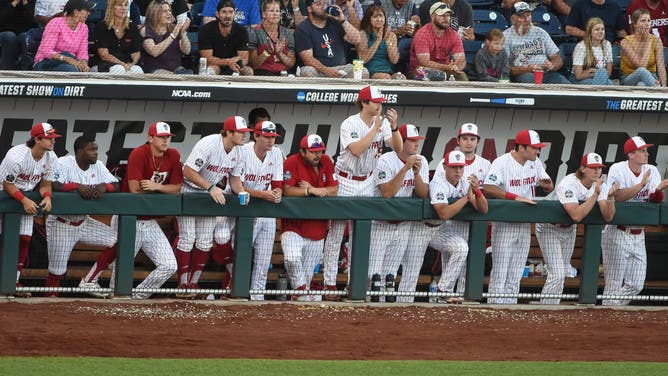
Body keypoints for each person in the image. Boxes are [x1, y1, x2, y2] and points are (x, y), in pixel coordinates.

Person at [81, 121, 181, 299]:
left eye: (168, 137)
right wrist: (162, 189)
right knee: (122, 266)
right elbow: (135, 189)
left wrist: (155, 187)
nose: (166, 141)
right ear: (150, 138)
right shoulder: (139, 153)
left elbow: (177, 188)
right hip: (129, 219)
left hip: (150, 222)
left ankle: (137, 297)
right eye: (161, 137)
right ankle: (115, 295)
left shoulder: (173, 155)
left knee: (169, 265)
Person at [320, 85, 403, 301]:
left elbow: (399, 149)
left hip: (367, 180)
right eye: (375, 102)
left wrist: (394, 128)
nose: (379, 105)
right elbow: (356, 150)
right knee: (337, 233)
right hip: (346, 180)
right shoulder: (350, 123)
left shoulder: (383, 123)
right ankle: (329, 283)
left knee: (361, 235)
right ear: (364, 103)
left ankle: (352, 283)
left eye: (380, 102)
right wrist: (375, 129)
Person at [174, 115, 253, 295]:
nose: (244, 136)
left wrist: (241, 192)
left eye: (245, 132)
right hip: (189, 190)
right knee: (188, 238)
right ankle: (182, 284)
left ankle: (193, 284)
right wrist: (210, 187)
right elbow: (187, 171)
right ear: (229, 132)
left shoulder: (239, 151)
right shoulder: (209, 144)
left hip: (210, 193)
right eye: (240, 132)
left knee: (205, 240)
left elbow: (234, 179)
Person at [535, 153, 619, 304]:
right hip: (549, 227)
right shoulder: (568, 183)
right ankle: (546, 309)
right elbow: (576, 215)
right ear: (583, 168)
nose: (597, 171)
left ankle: (550, 306)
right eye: (593, 168)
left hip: (569, 229)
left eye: (599, 168)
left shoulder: (599, 185)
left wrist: (610, 197)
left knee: (564, 272)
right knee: (558, 274)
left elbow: (608, 216)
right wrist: (595, 195)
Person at [483, 129, 554, 304]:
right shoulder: (502, 162)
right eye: (534, 148)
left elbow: (548, 185)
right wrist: (514, 197)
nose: (538, 151)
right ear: (521, 147)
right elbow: (488, 187)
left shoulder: (535, 162)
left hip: (524, 224)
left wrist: (547, 186)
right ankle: (495, 308)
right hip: (504, 223)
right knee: (500, 270)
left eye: (538, 148)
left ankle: (509, 307)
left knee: (516, 271)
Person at [45, 136, 120, 297]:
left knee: (117, 241)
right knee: (56, 271)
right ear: (79, 152)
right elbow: (51, 184)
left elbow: (116, 184)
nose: (96, 153)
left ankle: (89, 281)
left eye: (96, 149)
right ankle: (48, 303)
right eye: (91, 149)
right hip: (62, 224)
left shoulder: (98, 166)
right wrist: (76, 186)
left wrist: (104, 186)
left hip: (84, 223)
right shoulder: (64, 163)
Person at [602, 136, 668, 305]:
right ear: (631, 154)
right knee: (613, 285)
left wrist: (658, 191)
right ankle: (607, 320)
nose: (646, 153)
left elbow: (655, 201)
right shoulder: (618, 169)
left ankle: (610, 311)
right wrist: (640, 185)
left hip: (639, 233)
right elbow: (617, 196)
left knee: (636, 284)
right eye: (642, 150)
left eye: (646, 150)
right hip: (617, 231)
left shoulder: (651, 169)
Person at [427, 123, 491, 297]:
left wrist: (476, 191)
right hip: (423, 229)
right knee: (409, 269)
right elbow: (444, 213)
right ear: (445, 167)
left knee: (461, 250)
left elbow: (483, 209)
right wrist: (466, 197)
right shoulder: (439, 183)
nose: (457, 170)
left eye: (460, 167)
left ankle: (443, 292)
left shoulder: (464, 181)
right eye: (454, 167)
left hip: (442, 229)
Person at [368, 123, 429, 301]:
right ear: (401, 141)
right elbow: (387, 193)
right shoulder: (386, 160)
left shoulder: (421, 160)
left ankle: (387, 312)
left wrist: (416, 174)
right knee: (372, 274)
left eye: (418, 140)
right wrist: (405, 168)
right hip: (380, 223)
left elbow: (423, 193)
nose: (417, 144)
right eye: (412, 141)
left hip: (403, 224)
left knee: (390, 274)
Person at [0, 122, 59, 297]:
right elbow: (7, 184)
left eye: (53, 138)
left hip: (24, 197)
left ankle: (14, 280)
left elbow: (45, 183)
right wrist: (24, 200)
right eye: (49, 138)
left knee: (25, 239)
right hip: (3, 194)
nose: (52, 141)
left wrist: (47, 196)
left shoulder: (51, 157)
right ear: (37, 139)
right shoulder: (17, 156)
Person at [229, 121, 284, 301]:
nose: (270, 141)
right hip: (243, 208)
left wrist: (277, 193)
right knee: (239, 254)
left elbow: (277, 183)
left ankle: (257, 297)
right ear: (256, 136)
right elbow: (238, 186)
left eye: (273, 137)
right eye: (267, 137)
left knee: (263, 260)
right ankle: (235, 292)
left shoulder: (276, 153)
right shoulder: (242, 151)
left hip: (265, 211)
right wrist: (263, 194)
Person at [281, 134, 338, 301]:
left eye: (320, 151)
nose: (318, 155)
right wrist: (310, 191)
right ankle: (299, 288)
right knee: (291, 258)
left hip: (317, 228)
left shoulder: (326, 161)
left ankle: (299, 310)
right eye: (313, 152)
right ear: (302, 151)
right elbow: (287, 190)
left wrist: (312, 188)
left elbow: (334, 190)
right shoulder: (292, 162)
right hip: (294, 224)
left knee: (305, 281)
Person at [295, 0, 366, 78]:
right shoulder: (303, 28)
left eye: (325, 4)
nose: (323, 7)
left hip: (340, 69)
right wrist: (326, 70)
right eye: (318, 4)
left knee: (363, 72)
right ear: (309, 9)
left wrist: (343, 21)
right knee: (308, 71)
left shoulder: (335, 22)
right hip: (318, 71)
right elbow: (307, 59)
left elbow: (357, 39)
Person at [504, 1, 570, 84]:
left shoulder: (540, 32)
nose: (527, 20)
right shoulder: (506, 36)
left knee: (564, 82)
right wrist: (528, 69)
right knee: (528, 79)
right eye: (522, 17)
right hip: (524, 74)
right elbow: (506, 68)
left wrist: (552, 65)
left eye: (528, 15)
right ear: (513, 19)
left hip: (546, 73)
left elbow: (558, 59)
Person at [408, 3, 467, 81]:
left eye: (448, 15)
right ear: (432, 16)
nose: (446, 18)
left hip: (446, 70)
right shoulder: (422, 34)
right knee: (423, 74)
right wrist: (446, 67)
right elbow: (424, 62)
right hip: (422, 71)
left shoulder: (454, 34)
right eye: (442, 15)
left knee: (462, 76)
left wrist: (456, 66)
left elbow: (461, 59)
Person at [33, 0, 91, 72]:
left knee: (82, 71)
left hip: (71, 63)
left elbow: (83, 52)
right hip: (46, 62)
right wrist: (68, 59)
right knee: (70, 69)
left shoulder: (84, 28)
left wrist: (83, 63)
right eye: (86, 11)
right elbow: (46, 51)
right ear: (76, 12)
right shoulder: (55, 23)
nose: (89, 13)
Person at [199, 0, 254, 76]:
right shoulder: (206, 30)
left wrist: (236, 64)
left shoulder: (242, 31)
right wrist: (228, 62)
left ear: (235, 14)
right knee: (213, 69)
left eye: (231, 12)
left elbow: (244, 59)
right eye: (224, 12)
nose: (228, 16)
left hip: (234, 66)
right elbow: (207, 59)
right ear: (217, 14)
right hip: (214, 64)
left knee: (248, 71)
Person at [140, 0, 191, 74]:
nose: (169, 13)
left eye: (169, 10)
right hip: (155, 71)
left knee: (187, 74)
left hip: (177, 70)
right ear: (154, 14)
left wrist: (183, 33)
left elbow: (187, 51)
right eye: (164, 11)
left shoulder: (174, 28)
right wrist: (173, 36)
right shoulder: (145, 30)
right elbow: (154, 51)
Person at [620, 8, 667, 87]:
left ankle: (661, 94)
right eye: (643, 21)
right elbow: (642, 66)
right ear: (634, 24)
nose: (647, 24)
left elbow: (661, 68)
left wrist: (664, 88)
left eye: (649, 21)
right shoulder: (625, 42)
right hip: (629, 79)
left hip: (651, 77)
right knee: (641, 71)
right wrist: (648, 42)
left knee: (641, 85)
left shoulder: (657, 41)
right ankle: (658, 90)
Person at [248, 0, 296, 75]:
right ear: (263, 14)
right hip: (263, 73)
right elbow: (254, 64)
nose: (275, 14)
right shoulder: (254, 32)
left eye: (277, 11)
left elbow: (291, 64)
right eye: (271, 11)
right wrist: (267, 52)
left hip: (284, 73)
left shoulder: (288, 33)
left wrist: (279, 53)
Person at [94, 0, 143, 74]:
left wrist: (131, 64)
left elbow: (136, 53)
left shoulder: (132, 27)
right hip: (107, 64)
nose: (123, 8)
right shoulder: (102, 26)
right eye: (120, 5)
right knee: (119, 69)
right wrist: (122, 64)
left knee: (137, 70)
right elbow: (104, 54)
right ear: (112, 8)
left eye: (126, 5)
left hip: (127, 63)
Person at [357, 5, 402, 79]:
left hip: (387, 71)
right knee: (385, 77)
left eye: (381, 16)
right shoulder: (363, 34)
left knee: (401, 78)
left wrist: (388, 42)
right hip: (370, 71)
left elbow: (394, 60)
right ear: (369, 19)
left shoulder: (391, 35)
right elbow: (363, 59)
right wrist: (378, 41)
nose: (379, 19)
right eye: (375, 17)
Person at [379, 0, 419, 75]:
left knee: (407, 44)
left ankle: (409, 74)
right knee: (398, 46)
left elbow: (416, 34)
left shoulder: (411, 5)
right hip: (384, 37)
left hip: (405, 39)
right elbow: (375, 30)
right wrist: (398, 31)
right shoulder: (381, 3)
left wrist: (417, 27)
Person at [570, 17, 613, 85]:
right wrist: (597, 73)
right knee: (609, 83)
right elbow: (578, 76)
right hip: (578, 80)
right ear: (590, 32)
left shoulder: (607, 44)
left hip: (599, 77)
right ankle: (598, 94)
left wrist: (594, 72)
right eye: (597, 29)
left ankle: (596, 94)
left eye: (602, 29)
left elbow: (609, 72)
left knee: (604, 74)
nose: (600, 32)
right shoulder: (581, 46)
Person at [0, 0, 35, 70]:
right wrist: (14, 3)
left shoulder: (30, 2)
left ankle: (26, 70)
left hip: (22, 33)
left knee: (26, 37)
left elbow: (32, 22)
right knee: (10, 36)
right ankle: (7, 70)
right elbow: (2, 19)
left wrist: (25, 4)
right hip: (3, 32)